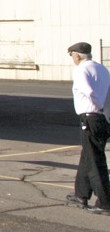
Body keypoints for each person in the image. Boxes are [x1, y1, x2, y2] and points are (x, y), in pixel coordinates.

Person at [64, 42, 110, 215]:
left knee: (94, 161)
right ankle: (81, 194)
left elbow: (89, 91)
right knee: (88, 156)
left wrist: (97, 106)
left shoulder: (81, 70)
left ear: (77, 56)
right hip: (102, 118)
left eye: (72, 56)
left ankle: (105, 202)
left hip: (90, 118)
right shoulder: (102, 69)